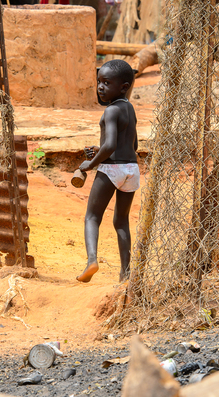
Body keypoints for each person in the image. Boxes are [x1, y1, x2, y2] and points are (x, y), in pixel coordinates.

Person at [77, 59, 140, 283]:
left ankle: (92, 261)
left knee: (92, 217)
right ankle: (126, 273)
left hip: (111, 170)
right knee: (121, 221)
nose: (100, 87)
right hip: (132, 170)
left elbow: (111, 145)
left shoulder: (111, 111)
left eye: (106, 82)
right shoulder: (129, 109)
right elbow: (133, 147)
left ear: (123, 87)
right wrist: (98, 148)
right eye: (98, 82)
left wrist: (91, 163)